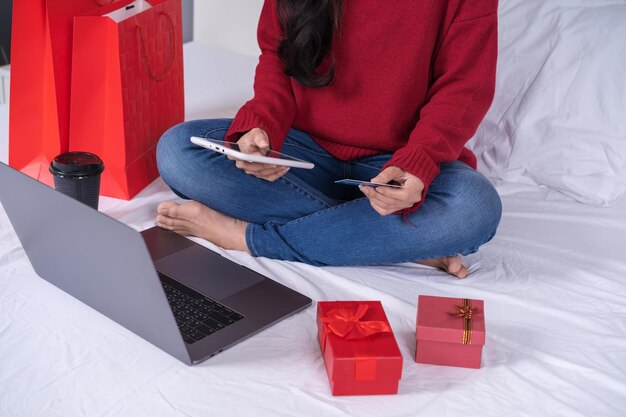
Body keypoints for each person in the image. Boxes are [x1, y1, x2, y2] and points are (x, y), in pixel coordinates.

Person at [155, 0, 502, 278]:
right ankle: (392, 240)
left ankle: (247, 238)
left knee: (474, 208)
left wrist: (420, 160)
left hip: (399, 164)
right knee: (178, 151)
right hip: (303, 152)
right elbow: (278, 57)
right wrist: (260, 127)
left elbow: (464, 88)